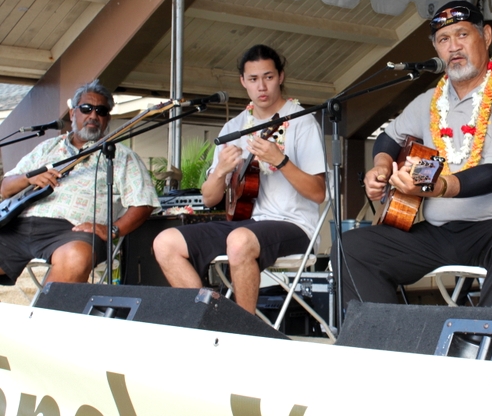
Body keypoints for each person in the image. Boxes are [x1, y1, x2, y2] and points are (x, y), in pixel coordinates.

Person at [338, 0, 492, 309]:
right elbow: (389, 137)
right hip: (441, 232)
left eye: (462, 35)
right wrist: (381, 167)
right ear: (435, 49)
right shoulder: (431, 99)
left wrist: (436, 186)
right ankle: (390, 347)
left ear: (486, 35)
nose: (453, 47)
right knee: (351, 248)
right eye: (444, 39)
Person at [153, 45, 326, 314]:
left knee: (239, 240)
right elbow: (210, 198)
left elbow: (318, 193)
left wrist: (280, 160)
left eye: (268, 77)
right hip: (245, 224)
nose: (262, 86)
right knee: (165, 242)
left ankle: (244, 331)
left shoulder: (302, 122)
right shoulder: (233, 127)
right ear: (243, 82)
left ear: (280, 76)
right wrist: (221, 170)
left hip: (294, 225)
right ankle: (210, 318)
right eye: (254, 79)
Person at [0, 80, 159, 285]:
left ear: (107, 118)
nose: (93, 115)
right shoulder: (47, 147)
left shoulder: (121, 155)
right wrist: (27, 178)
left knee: (75, 257)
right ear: (72, 113)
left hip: (71, 232)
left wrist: (113, 229)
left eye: (101, 111)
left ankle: (48, 316)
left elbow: (144, 203)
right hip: (17, 226)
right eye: (86, 108)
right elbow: (5, 189)